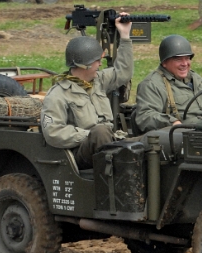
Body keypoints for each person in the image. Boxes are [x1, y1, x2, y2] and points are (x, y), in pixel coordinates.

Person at [40, 13, 133, 169]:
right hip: (82, 153)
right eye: (97, 61)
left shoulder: (99, 81)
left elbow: (123, 71)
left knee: (152, 138)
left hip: (110, 142)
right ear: (84, 65)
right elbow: (53, 132)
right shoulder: (58, 94)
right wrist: (89, 135)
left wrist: (124, 35)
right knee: (101, 132)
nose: (100, 65)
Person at [133, 35, 202, 134]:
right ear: (164, 62)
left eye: (187, 58)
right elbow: (145, 116)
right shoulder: (152, 84)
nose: (185, 64)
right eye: (178, 59)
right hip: (184, 138)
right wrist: (173, 123)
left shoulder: (195, 78)